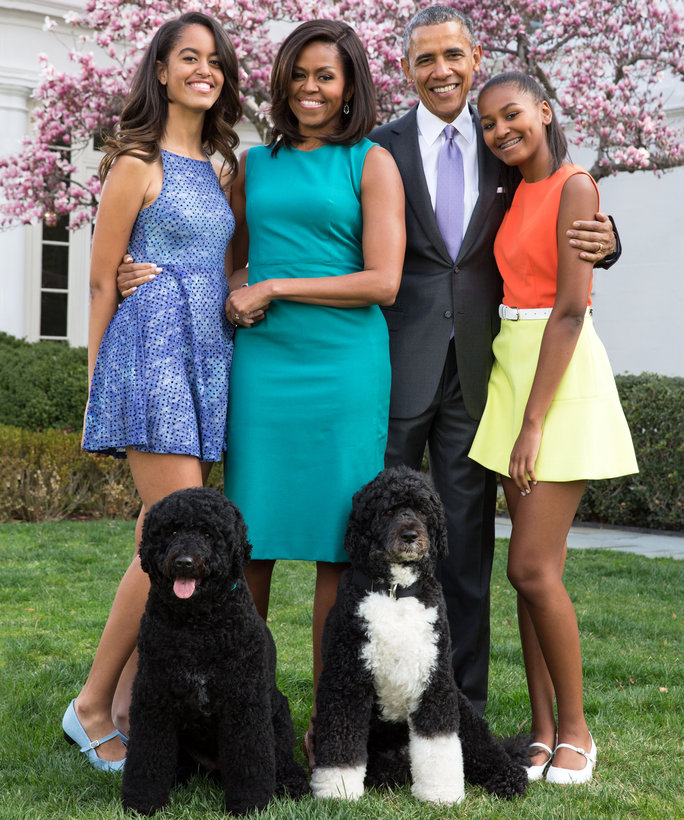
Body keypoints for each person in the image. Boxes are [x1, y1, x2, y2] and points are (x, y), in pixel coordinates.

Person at [370, 5, 620, 716]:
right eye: (424, 59)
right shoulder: (380, 148)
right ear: (406, 69)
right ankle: (380, 703)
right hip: (397, 364)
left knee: (466, 547)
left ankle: (461, 712)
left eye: (452, 55)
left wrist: (608, 239)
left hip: (485, 375)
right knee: (377, 536)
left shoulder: (502, 142)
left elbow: (558, 206)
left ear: (475, 59)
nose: (440, 70)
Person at [62, 12, 241, 771]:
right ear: (161, 72)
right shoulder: (136, 161)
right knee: (172, 529)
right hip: (151, 351)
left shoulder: (223, 166)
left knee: (160, 535)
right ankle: (92, 705)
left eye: (215, 60)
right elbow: (103, 279)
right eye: (188, 58)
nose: (204, 70)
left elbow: (224, 264)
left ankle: (129, 705)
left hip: (208, 354)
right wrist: (97, 382)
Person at [223, 19, 404, 767]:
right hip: (264, 369)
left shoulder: (373, 162)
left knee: (338, 548)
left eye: (325, 75)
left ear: (350, 84)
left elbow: (383, 281)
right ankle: (242, 726)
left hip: (343, 367)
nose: (309, 88)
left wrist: (276, 286)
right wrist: (232, 287)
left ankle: (331, 728)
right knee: (248, 542)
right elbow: (229, 261)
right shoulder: (253, 164)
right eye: (298, 74)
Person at [469, 71, 637, 784]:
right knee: (533, 573)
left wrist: (533, 423)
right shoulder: (510, 189)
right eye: (487, 123)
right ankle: (540, 732)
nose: (500, 131)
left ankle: (577, 732)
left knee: (530, 568)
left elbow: (570, 310)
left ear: (544, 110)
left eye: (512, 115)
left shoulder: (576, 185)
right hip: (511, 365)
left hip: (556, 377)